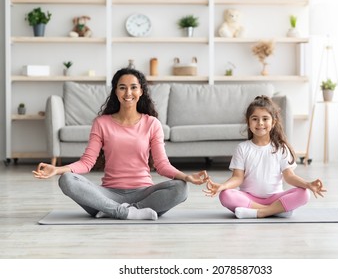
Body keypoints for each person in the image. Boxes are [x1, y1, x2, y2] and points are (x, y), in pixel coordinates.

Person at [33, 67, 208, 220]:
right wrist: (58, 170)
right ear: (115, 92)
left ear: (141, 91)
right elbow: (87, 162)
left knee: (180, 188)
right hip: (108, 194)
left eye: (133, 87)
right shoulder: (101, 123)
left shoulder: (152, 123)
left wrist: (186, 177)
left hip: (144, 194)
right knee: (67, 180)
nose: (128, 93)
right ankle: (124, 212)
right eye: (122, 88)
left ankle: (119, 211)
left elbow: (162, 165)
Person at [203, 95, 326, 219]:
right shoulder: (242, 148)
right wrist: (222, 186)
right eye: (255, 119)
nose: (260, 123)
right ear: (248, 122)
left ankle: (258, 212)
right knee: (225, 195)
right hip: (249, 198)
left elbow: (289, 177)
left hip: (275, 198)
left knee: (304, 193)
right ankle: (276, 210)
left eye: (265, 119)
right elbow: (237, 178)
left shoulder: (281, 148)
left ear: (273, 122)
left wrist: (308, 184)